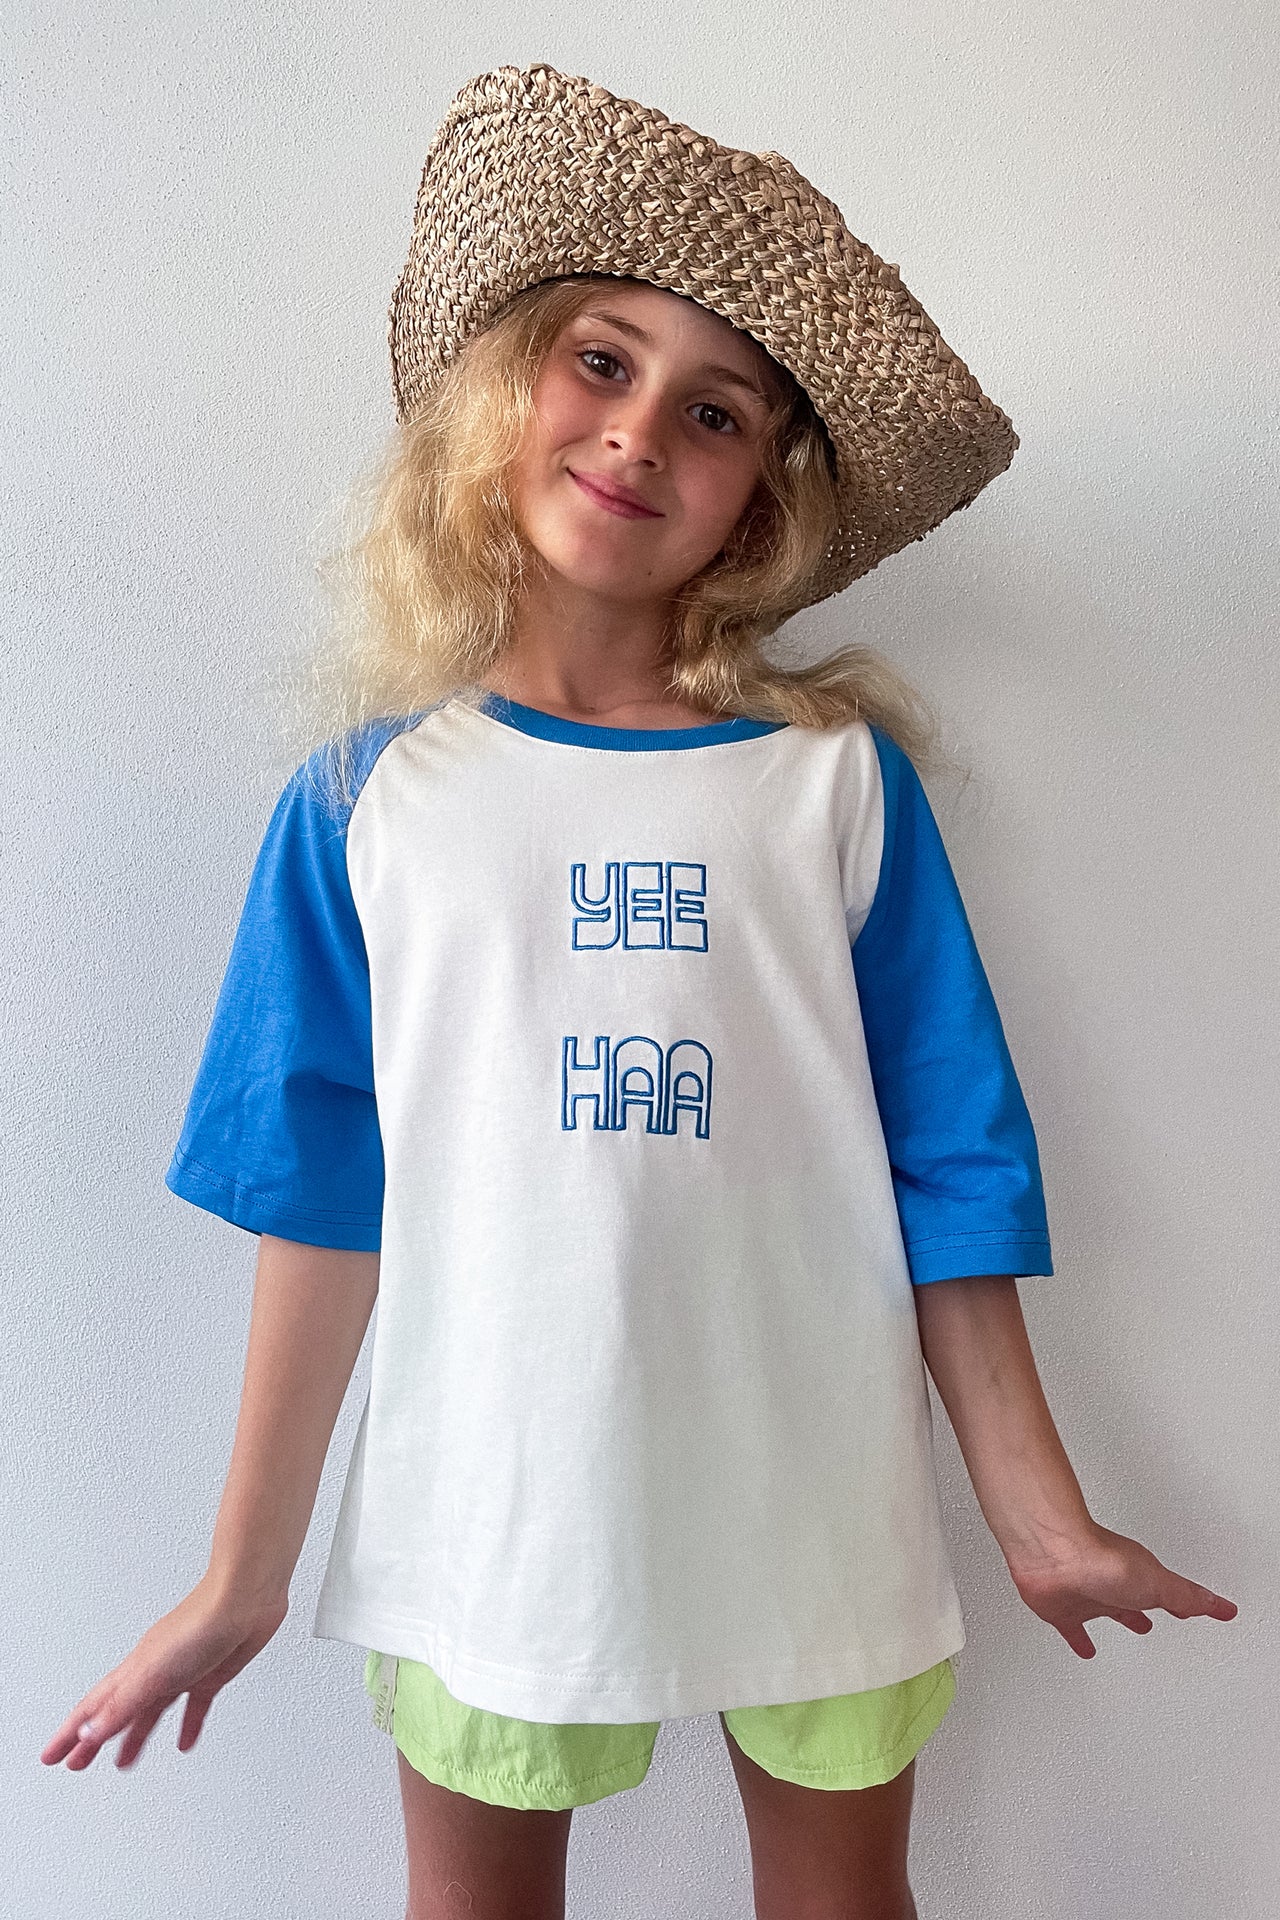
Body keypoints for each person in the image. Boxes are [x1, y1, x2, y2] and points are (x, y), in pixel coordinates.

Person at [41, 63, 1237, 1920]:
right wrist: (241, 1576)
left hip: (812, 1480)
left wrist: (1036, 1513)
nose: (639, 434)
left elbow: (953, 1164)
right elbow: (314, 1202)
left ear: (761, 497)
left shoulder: (833, 788)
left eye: (717, 410)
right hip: (492, 1502)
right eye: (600, 362)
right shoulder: (369, 804)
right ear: (505, 394)